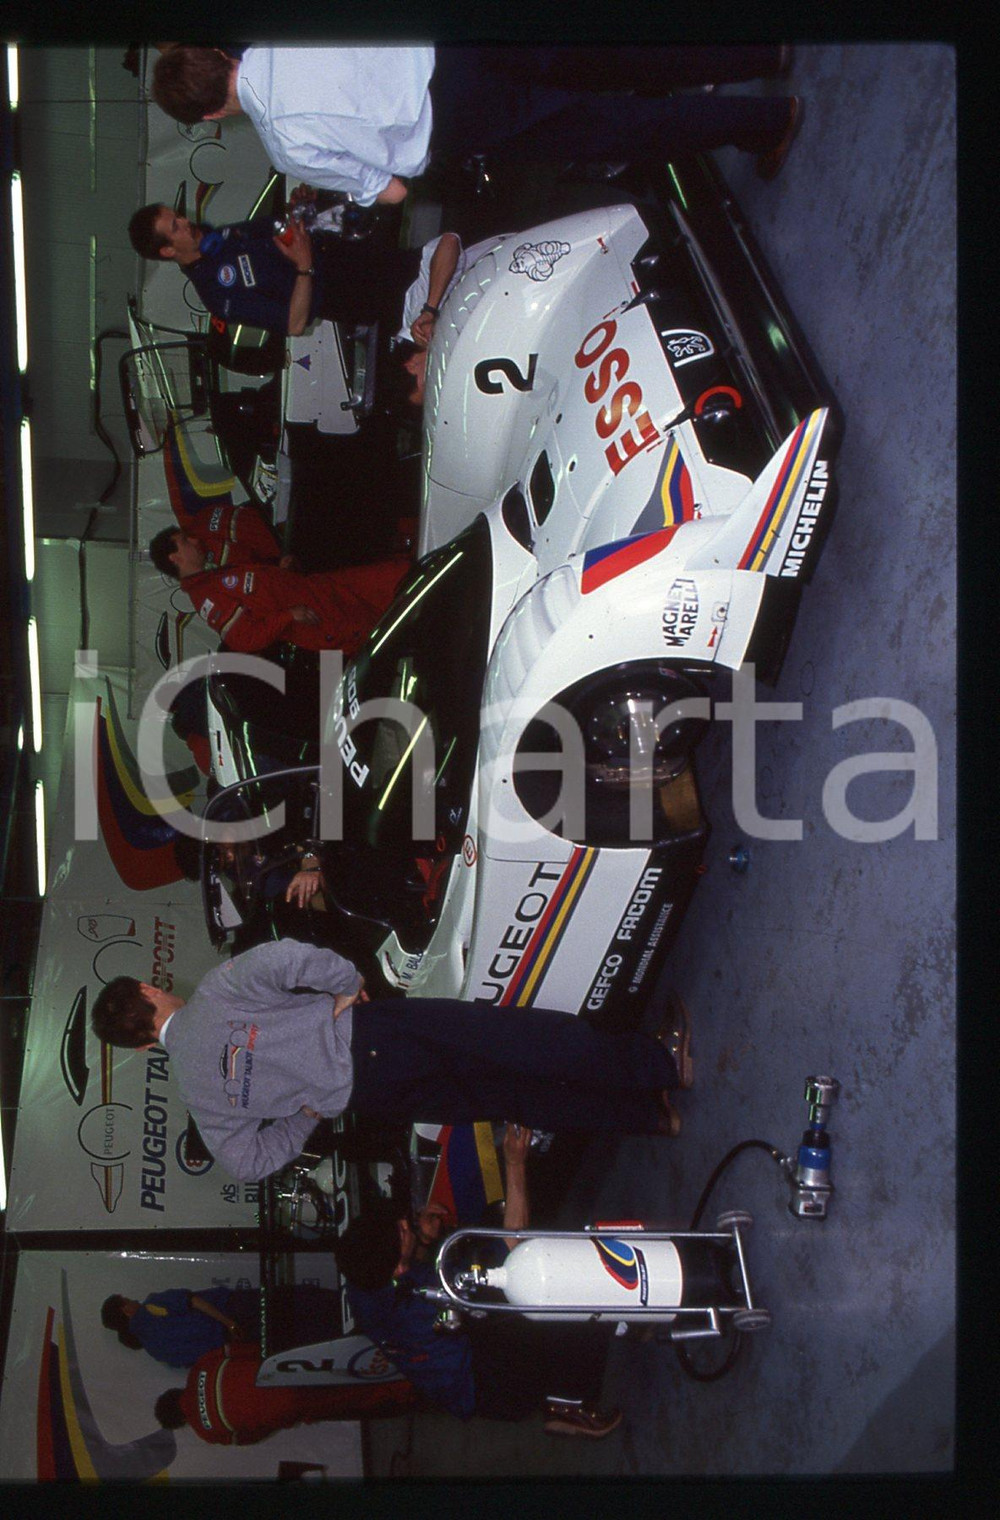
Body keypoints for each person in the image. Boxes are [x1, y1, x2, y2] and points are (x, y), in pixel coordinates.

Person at [89, 939, 694, 1183]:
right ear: (149, 991)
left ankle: (651, 1119)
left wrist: (305, 1112)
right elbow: (289, 958)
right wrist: (346, 981)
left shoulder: (200, 1100)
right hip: (381, 1035)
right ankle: (659, 1066)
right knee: (521, 1042)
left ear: (142, 1049)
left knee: (514, 1099)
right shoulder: (217, 991)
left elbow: (248, 1163)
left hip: (373, 1099)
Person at [151, 45, 804, 206]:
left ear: (210, 116)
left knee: (616, 126)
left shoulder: (287, 146)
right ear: (222, 55)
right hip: (456, 48)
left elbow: (392, 191)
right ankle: (758, 53)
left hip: (458, 118)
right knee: (610, 56)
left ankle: (765, 119)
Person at [333, 1124, 621, 1437]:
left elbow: (397, 1262)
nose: (405, 1222)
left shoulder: (364, 1274)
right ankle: (567, 1404)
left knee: (487, 1224)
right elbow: (512, 1245)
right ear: (397, 1270)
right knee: (555, 1288)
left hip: (463, 1344)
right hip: (491, 1384)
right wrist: (515, 1163)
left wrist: (418, 1237)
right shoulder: (424, 1297)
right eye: (403, 1232)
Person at [127, 199, 428, 338]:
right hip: (361, 296)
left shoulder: (223, 237)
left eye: (178, 215)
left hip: (363, 255)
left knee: (432, 263)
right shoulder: (217, 295)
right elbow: (294, 325)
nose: (185, 221)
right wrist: (304, 268)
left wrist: (298, 210)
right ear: (167, 251)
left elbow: (280, 227)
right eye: (175, 226)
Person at [147, 524, 409, 656]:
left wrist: (283, 571)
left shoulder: (213, 575)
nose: (194, 540)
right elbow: (245, 639)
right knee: (404, 618)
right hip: (327, 620)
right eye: (184, 541)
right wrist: (289, 616)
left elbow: (262, 595)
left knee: (402, 574)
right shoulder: (207, 598)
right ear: (175, 559)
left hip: (326, 589)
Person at [154, 1340, 416, 1444]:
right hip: (283, 1371)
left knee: (345, 1400)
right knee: (341, 1368)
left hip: (285, 1407)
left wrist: (276, 1418)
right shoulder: (200, 1369)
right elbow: (241, 1350)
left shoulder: (207, 1432)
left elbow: (250, 1437)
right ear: (175, 1393)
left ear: (181, 1422)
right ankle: (401, 1361)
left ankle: (406, 1389)